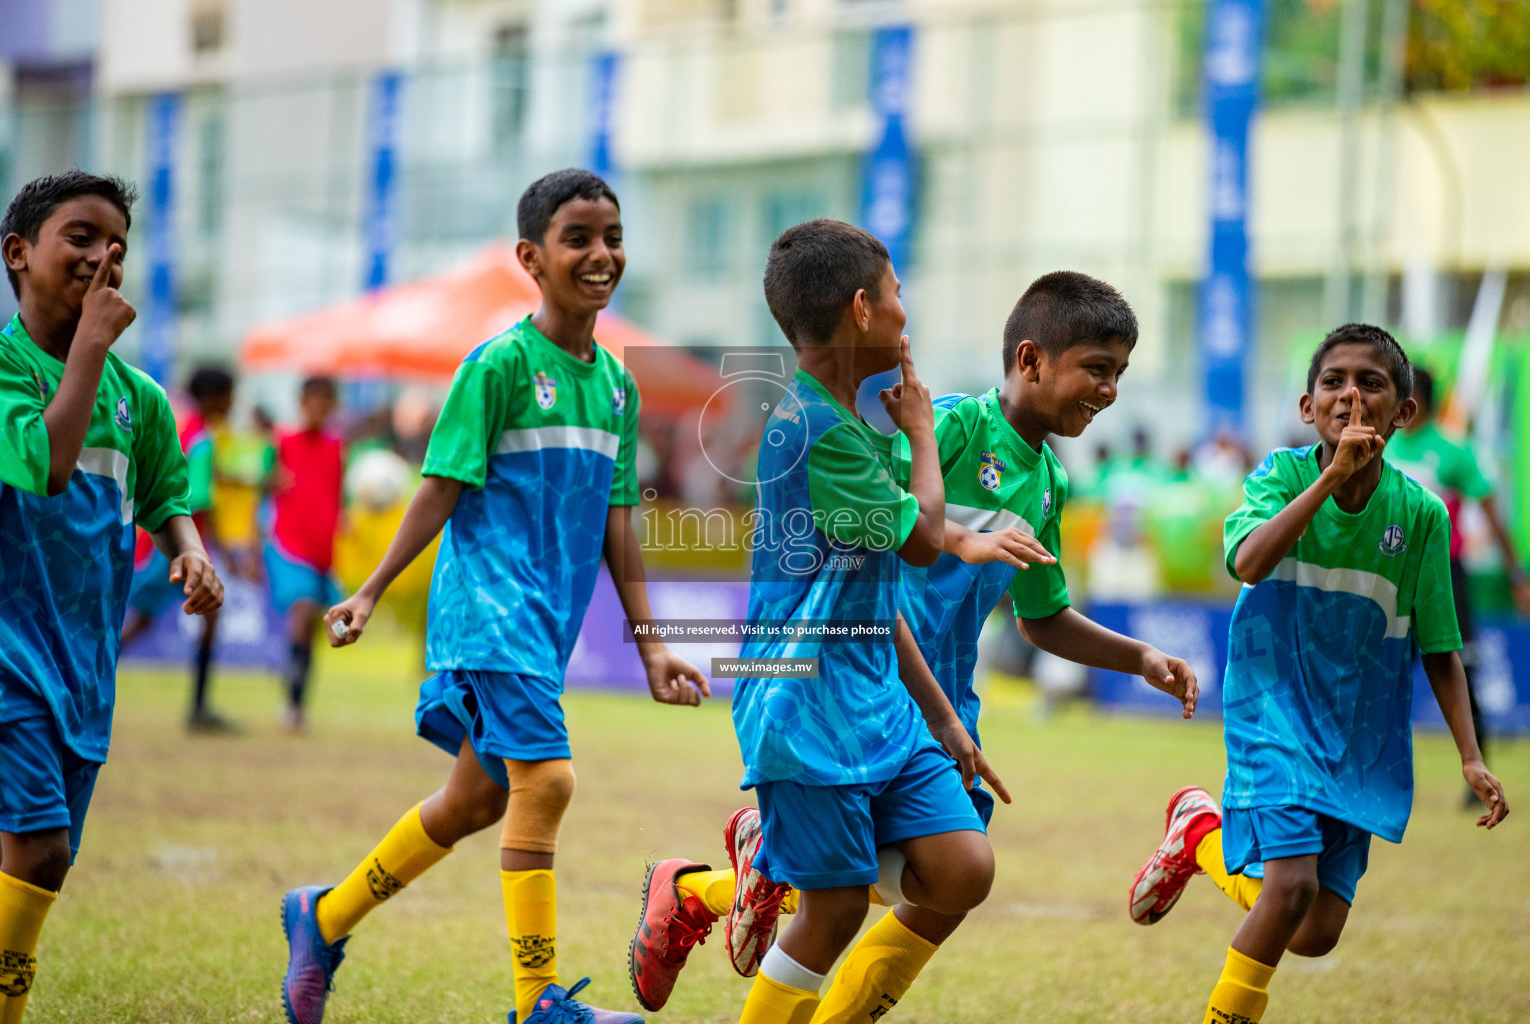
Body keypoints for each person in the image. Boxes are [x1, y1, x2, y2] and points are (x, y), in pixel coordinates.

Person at [629, 272, 1201, 1021]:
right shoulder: (955, 428)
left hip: (942, 701)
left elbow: (1042, 617)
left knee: (956, 881)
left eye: (1119, 373)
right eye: (1098, 368)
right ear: (1031, 361)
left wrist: (1140, 657)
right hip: (866, 685)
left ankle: (733, 876)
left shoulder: (1052, 484)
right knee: (840, 893)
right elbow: (884, 537)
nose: (1110, 390)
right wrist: (956, 533)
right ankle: (746, 874)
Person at [278, 169, 706, 1024]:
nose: (600, 253)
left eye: (612, 236)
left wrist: (652, 641)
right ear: (531, 257)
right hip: (489, 614)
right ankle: (537, 1002)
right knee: (545, 783)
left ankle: (321, 918)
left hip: (540, 628)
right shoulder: (498, 366)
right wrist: (367, 591)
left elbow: (621, 523)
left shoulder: (619, 388)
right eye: (578, 237)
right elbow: (439, 488)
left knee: (475, 800)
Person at [1127, 324, 1510, 1024]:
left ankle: (1198, 835)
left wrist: (1470, 755)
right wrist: (1331, 479)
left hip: (1357, 734)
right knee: (1292, 886)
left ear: (1405, 413)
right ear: (1308, 407)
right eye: (1333, 382)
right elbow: (1247, 563)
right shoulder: (1279, 476)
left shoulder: (1420, 515)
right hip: (1271, 711)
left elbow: (1439, 643)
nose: (1350, 396)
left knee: (1314, 930)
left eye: (1372, 383)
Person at [0, 171, 222, 1023]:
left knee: (33, 858)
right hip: (6, 655)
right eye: (81, 238)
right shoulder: (2, 372)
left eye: (117, 247)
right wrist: (89, 343)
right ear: (19, 254)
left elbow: (167, 499)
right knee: (41, 853)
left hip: (85, 670)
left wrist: (191, 554)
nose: (103, 259)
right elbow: (49, 468)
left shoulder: (142, 401)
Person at [1384, 366, 1530, 795]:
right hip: (1392, 574)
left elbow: (1491, 513)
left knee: (1459, 665)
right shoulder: (1384, 448)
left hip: (1446, 575)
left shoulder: (1454, 451)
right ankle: (1375, 771)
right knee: (1388, 670)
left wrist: (1516, 574)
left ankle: (1476, 768)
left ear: (1416, 400)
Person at [122, 365, 238, 732]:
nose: (233, 402)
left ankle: (200, 706)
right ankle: (199, 707)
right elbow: (199, 501)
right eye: (229, 394)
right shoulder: (203, 438)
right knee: (141, 621)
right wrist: (224, 549)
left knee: (153, 620)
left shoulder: (182, 428)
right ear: (215, 397)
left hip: (163, 545)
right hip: (174, 549)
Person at [263, 376, 344, 731]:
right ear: (301, 401)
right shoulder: (280, 442)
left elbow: (338, 496)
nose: (319, 407)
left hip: (322, 549)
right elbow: (258, 484)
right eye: (313, 400)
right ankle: (292, 704)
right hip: (288, 544)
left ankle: (296, 698)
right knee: (303, 611)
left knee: (313, 627)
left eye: (326, 400)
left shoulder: (336, 447)